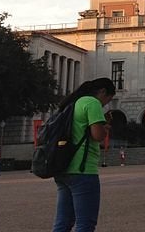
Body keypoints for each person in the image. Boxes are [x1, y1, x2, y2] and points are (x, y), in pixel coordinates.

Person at [52, 77, 116, 232]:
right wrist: (105, 128)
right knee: (85, 224)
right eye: (107, 99)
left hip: (63, 167)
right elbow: (97, 135)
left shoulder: (72, 103)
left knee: (63, 223)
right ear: (102, 92)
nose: (105, 104)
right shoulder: (92, 103)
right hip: (83, 169)